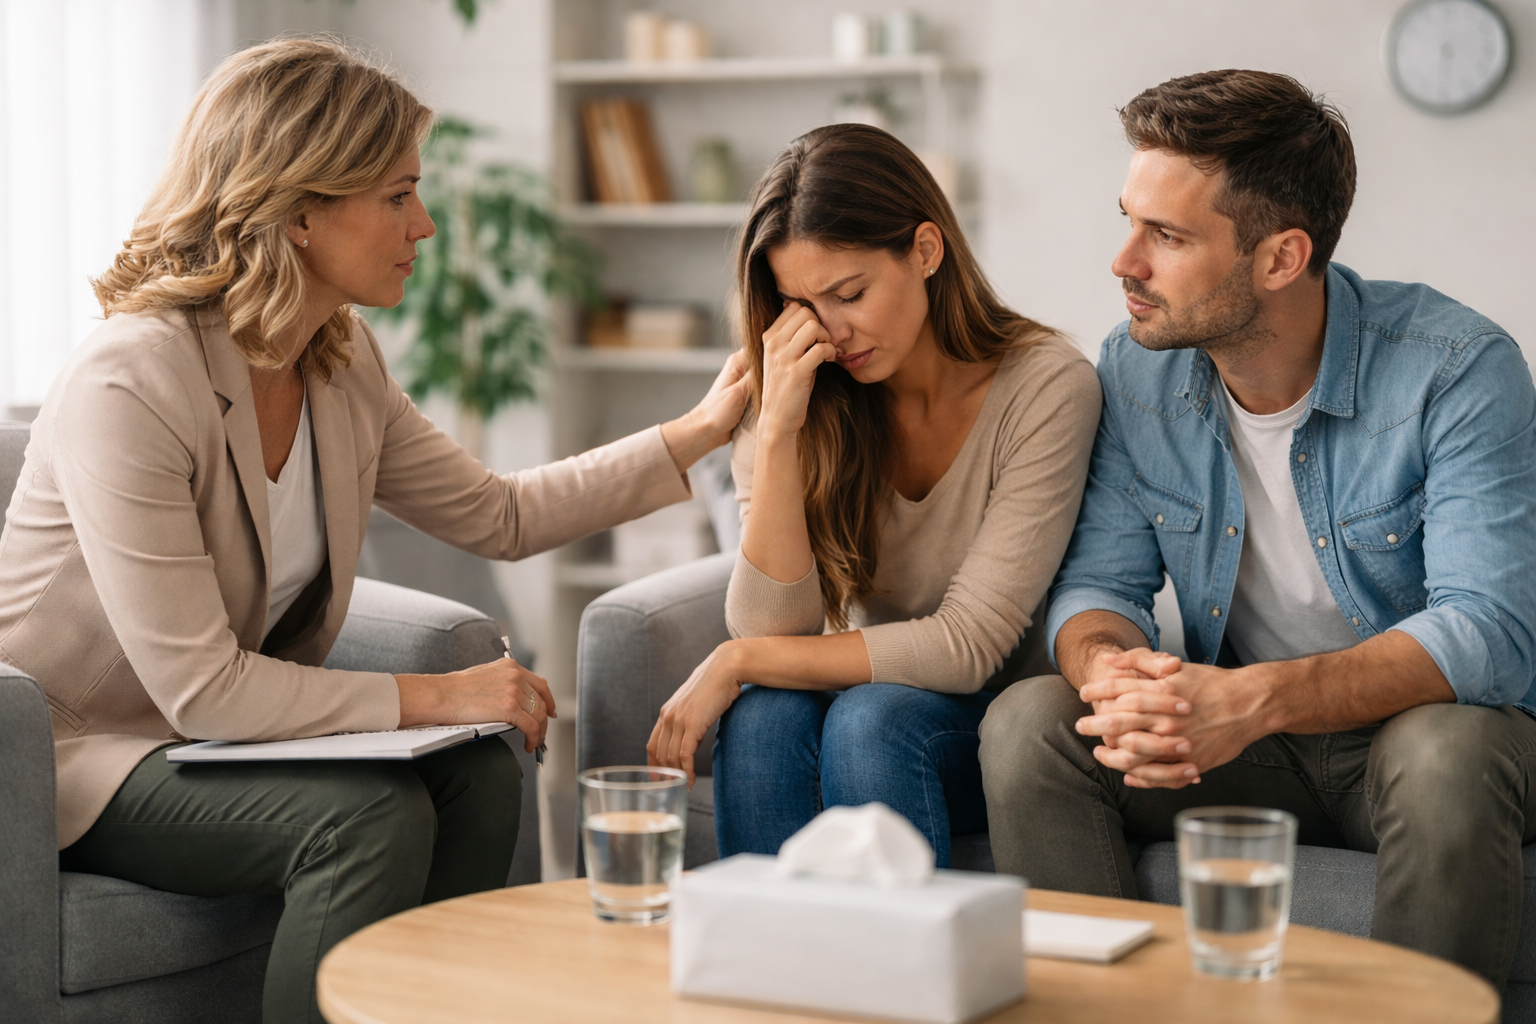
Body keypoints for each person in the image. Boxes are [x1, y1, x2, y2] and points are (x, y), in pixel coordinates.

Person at [0, 39, 747, 1024]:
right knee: (366, 817)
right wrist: (441, 689)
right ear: (302, 208)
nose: (424, 225)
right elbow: (200, 685)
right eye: (398, 195)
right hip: (82, 754)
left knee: (479, 769)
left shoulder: (338, 363)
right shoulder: (132, 379)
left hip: (215, 744)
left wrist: (699, 429)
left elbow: (501, 513)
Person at [978, 69, 1536, 986]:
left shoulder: (1457, 369)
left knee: (1446, 749)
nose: (1124, 262)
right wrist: (1115, 674)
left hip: (1414, 745)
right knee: (1031, 722)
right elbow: (1098, 588)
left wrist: (1254, 700)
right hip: (1247, 755)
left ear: (1280, 258)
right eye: (1129, 221)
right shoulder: (1135, 367)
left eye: (1165, 235)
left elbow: (1489, 631)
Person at [645, 123, 1101, 866]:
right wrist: (781, 430)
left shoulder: (1048, 387)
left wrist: (732, 662)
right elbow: (773, 624)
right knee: (764, 718)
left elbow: (967, 647)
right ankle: (765, 973)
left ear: (925, 251)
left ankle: (897, 975)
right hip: (862, 696)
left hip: (987, 721)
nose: (830, 331)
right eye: (801, 304)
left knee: (869, 718)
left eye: (848, 293)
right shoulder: (795, 385)